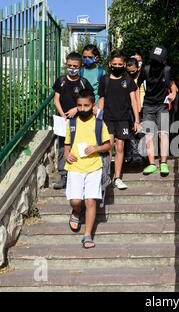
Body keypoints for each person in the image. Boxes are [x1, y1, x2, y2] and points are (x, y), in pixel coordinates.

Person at [64, 89, 111, 249]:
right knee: (76, 201)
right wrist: (67, 154)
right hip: (75, 166)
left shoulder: (99, 124)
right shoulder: (71, 123)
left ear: (93, 106)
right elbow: (67, 145)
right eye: (79, 105)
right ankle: (77, 211)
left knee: (90, 201)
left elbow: (108, 145)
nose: (83, 108)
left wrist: (96, 148)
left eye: (86, 105)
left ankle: (87, 235)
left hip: (94, 167)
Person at [98, 50, 141, 189]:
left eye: (120, 64)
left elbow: (134, 101)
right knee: (109, 147)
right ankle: (107, 176)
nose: (117, 66)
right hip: (108, 118)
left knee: (120, 146)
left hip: (123, 119)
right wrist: (98, 119)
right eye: (114, 63)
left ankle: (117, 177)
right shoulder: (104, 80)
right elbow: (101, 100)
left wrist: (137, 120)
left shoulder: (128, 80)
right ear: (110, 63)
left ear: (124, 65)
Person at [52, 52, 93, 189]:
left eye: (75, 66)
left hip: (80, 120)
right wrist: (63, 114)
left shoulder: (83, 82)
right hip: (63, 122)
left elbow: (89, 101)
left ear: (80, 67)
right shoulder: (61, 81)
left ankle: (80, 173)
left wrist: (77, 108)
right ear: (66, 65)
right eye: (69, 66)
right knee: (64, 146)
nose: (72, 68)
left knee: (80, 145)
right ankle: (64, 175)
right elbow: (56, 99)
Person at [137, 45, 178, 175]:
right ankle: (152, 164)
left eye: (158, 61)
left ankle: (164, 163)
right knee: (149, 136)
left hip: (163, 106)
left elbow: (173, 87)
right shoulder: (146, 69)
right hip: (148, 106)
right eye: (154, 60)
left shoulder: (167, 70)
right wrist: (138, 103)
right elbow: (136, 86)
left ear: (163, 61)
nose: (155, 63)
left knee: (163, 133)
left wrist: (173, 94)